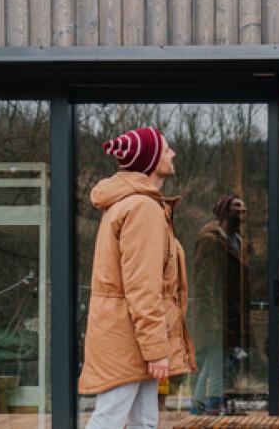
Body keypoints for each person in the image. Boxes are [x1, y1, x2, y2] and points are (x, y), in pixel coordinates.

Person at [78, 127, 197, 429]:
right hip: (129, 337)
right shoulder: (142, 208)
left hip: (131, 334)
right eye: (167, 149)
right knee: (109, 419)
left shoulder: (131, 203)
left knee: (144, 421)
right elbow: (143, 288)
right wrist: (157, 350)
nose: (173, 154)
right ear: (151, 160)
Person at [190, 194, 252, 415]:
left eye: (243, 209)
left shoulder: (236, 240)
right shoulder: (211, 240)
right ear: (226, 211)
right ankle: (207, 406)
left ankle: (205, 406)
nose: (242, 212)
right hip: (216, 314)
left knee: (217, 364)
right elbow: (203, 283)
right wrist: (210, 317)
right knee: (213, 364)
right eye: (237, 208)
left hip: (230, 315)